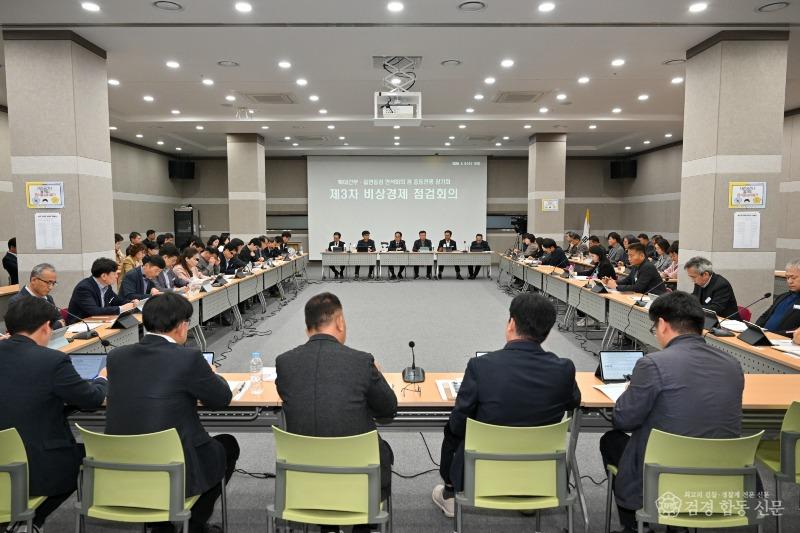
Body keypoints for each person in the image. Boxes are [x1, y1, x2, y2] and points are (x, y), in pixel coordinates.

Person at [599, 291, 744, 533]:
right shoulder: (733, 365)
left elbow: (623, 420)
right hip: (721, 472)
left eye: (654, 328)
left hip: (663, 473)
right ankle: (678, 526)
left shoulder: (653, 364)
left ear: (663, 324)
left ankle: (634, 527)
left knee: (612, 440)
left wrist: (630, 391)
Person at [432, 293, 581, 517]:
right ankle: (528, 494)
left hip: (482, 467)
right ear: (547, 331)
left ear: (511, 323)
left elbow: (459, 421)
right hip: (538, 464)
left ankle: (451, 492)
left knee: (453, 428)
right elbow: (574, 401)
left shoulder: (481, 366)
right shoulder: (564, 369)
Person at [105, 292, 239, 533]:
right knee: (227, 445)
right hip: (174, 466)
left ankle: (161, 526)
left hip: (123, 463)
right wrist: (211, 373)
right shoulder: (188, 358)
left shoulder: (116, 357)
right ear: (181, 325)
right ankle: (195, 525)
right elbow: (221, 399)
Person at [276, 292, 396, 533]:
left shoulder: (284, 363)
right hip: (358, 478)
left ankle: (328, 527)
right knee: (383, 452)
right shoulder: (361, 362)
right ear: (340, 322)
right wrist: (377, 376)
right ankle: (363, 526)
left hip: (304, 475)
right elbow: (388, 408)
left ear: (307, 328)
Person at [0, 297, 108, 530]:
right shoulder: (52, 360)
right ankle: (30, 520)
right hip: (36, 466)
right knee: (83, 457)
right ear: (46, 327)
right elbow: (91, 399)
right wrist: (102, 379)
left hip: (4, 458)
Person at [67, 257, 138, 323]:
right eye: (114, 274)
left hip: (99, 322)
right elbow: (95, 311)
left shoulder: (107, 286)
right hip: (80, 326)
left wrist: (131, 302)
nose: (117, 276)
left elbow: (116, 300)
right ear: (104, 276)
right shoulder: (84, 288)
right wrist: (121, 308)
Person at [9, 263, 65, 329]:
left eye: (53, 283)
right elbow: (29, 331)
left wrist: (56, 324)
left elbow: (61, 320)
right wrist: (57, 325)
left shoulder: (48, 298)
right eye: (48, 283)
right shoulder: (17, 301)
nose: (51, 287)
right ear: (34, 280)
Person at [756, 259, 800, 337]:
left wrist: (773, 335)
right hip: (764, 337)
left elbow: (797, 331)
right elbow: (765, 316)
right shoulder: (782, 297)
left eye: (793, 278)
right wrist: (755, 329)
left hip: (783, 341)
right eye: (787, 277)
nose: (789, 281)